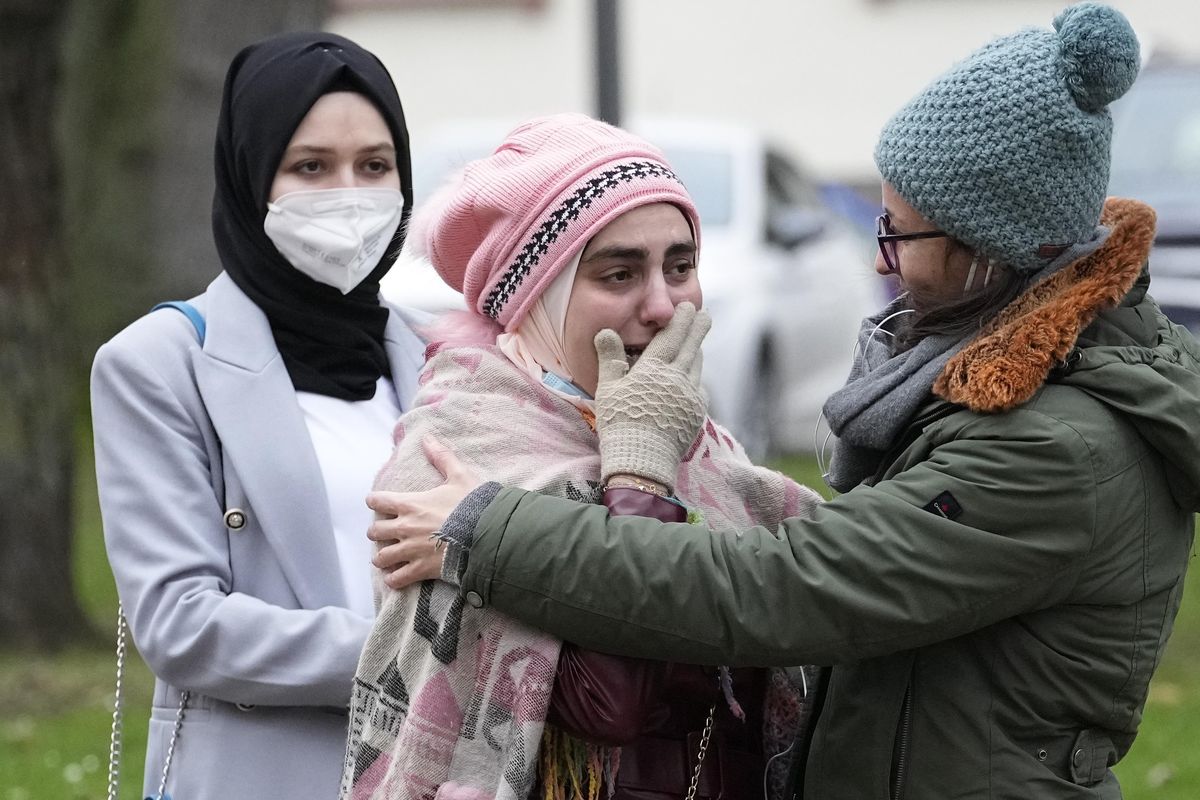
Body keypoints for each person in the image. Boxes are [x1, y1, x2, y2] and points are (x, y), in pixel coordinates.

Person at [363, 5, 1200, 798]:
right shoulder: (464, 439)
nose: (880, 265)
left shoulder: (1057, 446)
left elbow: (784, 587)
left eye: (899, 236)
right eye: (619, 272)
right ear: (532, 294)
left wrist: (517, 518)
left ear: (996, 251)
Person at [341, 114, 823, 800]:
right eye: (619, 273)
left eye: (681, 267)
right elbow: (608, 705)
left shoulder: (711, 453)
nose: (662, 305)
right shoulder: (458, 452)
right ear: (537, 294)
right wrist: (638, 474)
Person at [90, 32, 426, 800]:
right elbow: (182, 624)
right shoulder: (159, 364)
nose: (350, 192)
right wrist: (418, 654)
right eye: (311, 166)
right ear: (250, 175)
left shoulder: (438, 358)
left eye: (375, 166)